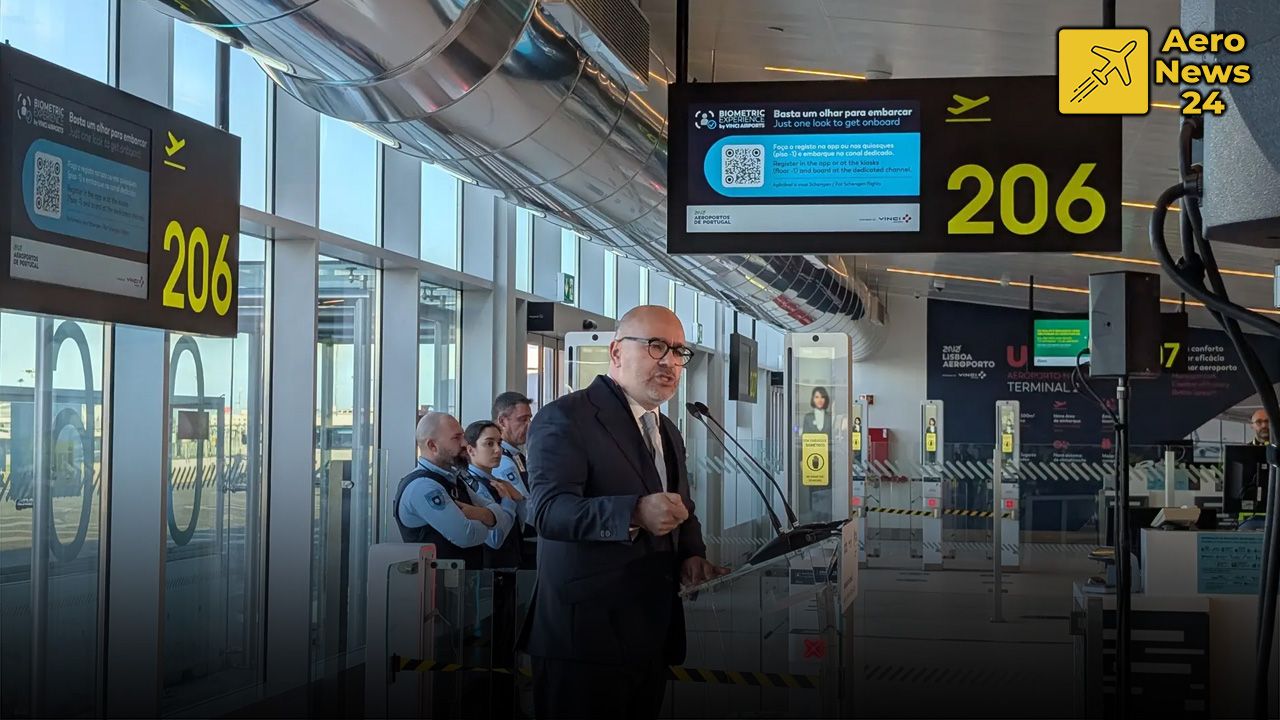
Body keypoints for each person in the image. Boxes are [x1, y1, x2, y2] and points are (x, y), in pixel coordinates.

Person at [518, 305, 728, 719]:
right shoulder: (566, 417)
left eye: (678, 351)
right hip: (585, 640)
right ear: (616, 352)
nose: (669, 361)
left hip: (650, 634)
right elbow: (547, 511)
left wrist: (691, 555)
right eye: (656, 346)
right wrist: (633, 512)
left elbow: (681, 505)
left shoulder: (667, 429)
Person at [393, 412, 516, 567]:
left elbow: (500, 517)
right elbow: (467, 536)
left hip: (462, 578)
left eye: (463, 436)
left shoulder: (453, 479)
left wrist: (480, 514)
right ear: (432, 446)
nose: (464, 443)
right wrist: (488, 519)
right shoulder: (423, 486)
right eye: (456, 438)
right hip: (435, 581)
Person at [460, 420, 526, 569]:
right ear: (471, 450)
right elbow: (495, 539)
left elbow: (521, 527)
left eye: (499, 443)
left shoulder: (497, 483)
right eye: (489, 444)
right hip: (490, 571)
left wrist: (519, 499)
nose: (498, 450)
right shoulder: (472, 486)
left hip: (512, 564)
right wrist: (508, 502)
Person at [492, 391, 537, 567]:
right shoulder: (503, 461)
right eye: (522, 420)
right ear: (502, 422)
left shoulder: (516, 455)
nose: (529, 425)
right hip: (516, 546)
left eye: (529, 419)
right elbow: (526, 510)